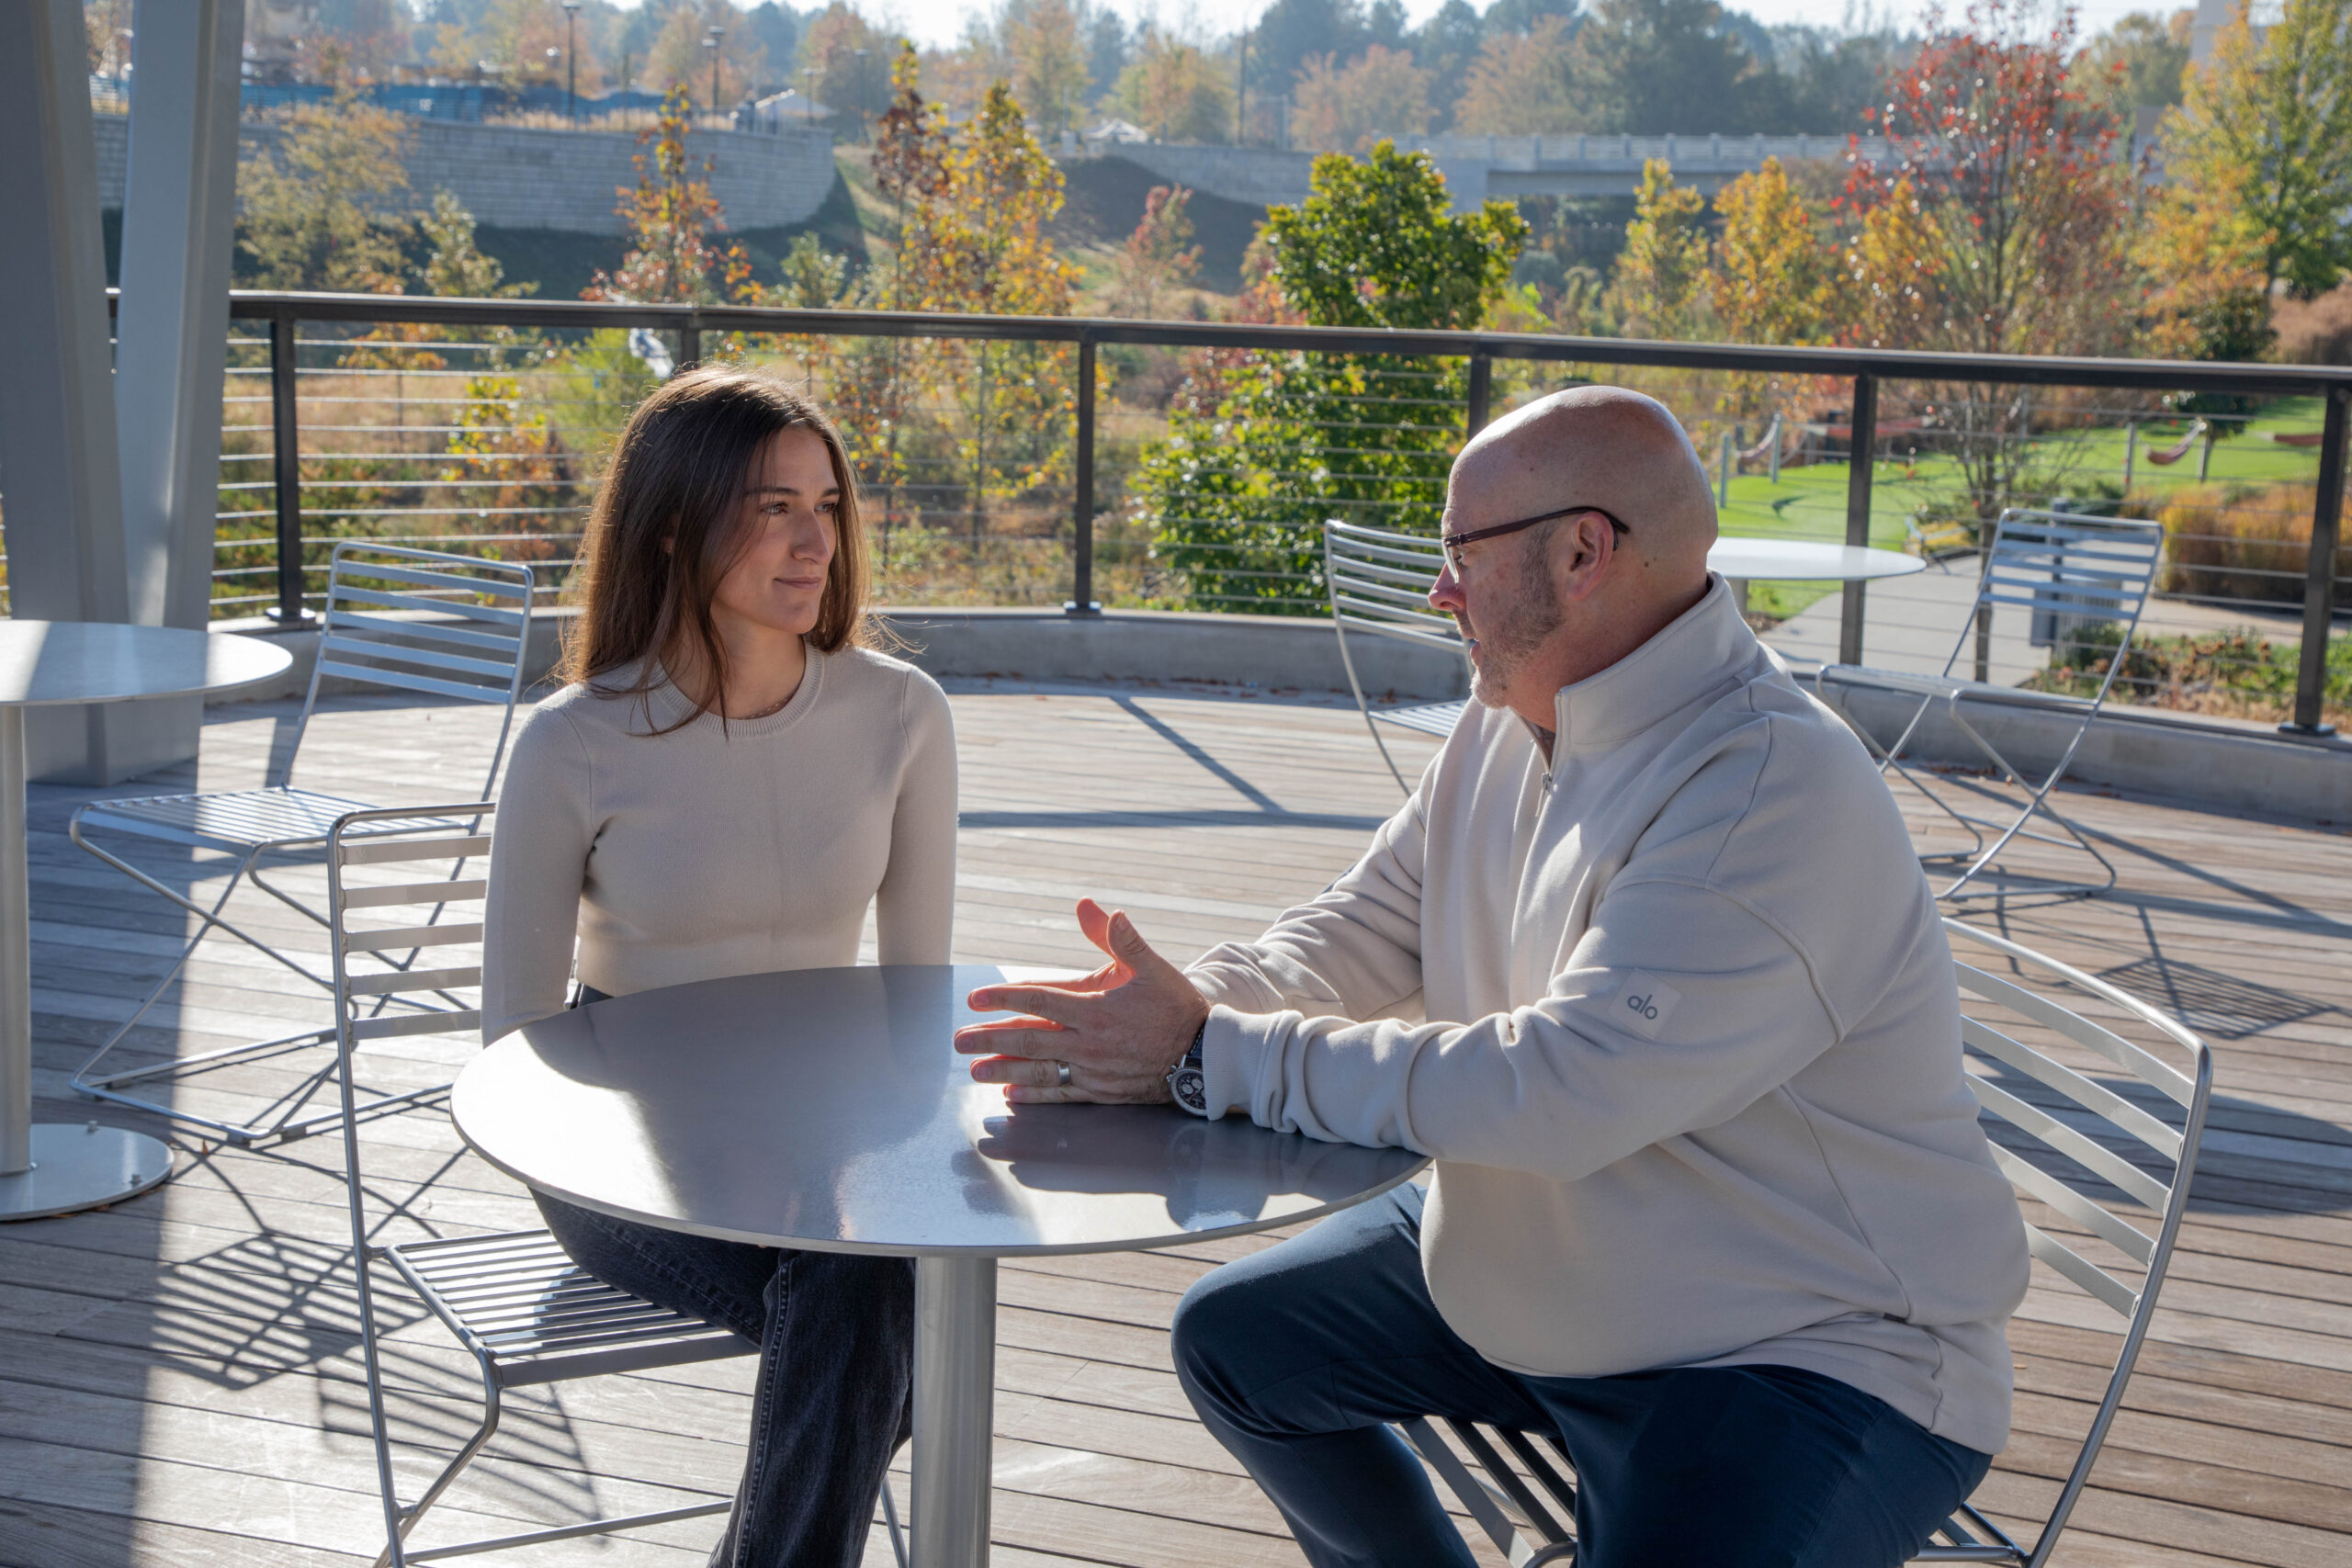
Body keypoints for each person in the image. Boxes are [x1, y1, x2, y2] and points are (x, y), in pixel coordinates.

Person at [950, 386, 2030, 1568]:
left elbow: (1564, 1091)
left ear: (1582, 552)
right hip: (1536, 1283)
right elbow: (1370, 927)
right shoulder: (1512, 715)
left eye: (1460, 550)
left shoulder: (1766, 786)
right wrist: (1172, 1006)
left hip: (1799, 1350)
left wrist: (1207, 1056)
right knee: (1237, 1343)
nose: (1437, 585)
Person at [482, 367, 957, 1568]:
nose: (814, 543)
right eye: (770, 507)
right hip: (611, 1141)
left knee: (866, 1292)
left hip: (827, 1126)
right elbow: (513, 1045)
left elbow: (918, 1003)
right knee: (880, 1313)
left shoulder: (904, 714)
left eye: (827, 504)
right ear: (678, 525)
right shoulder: (575, 742)